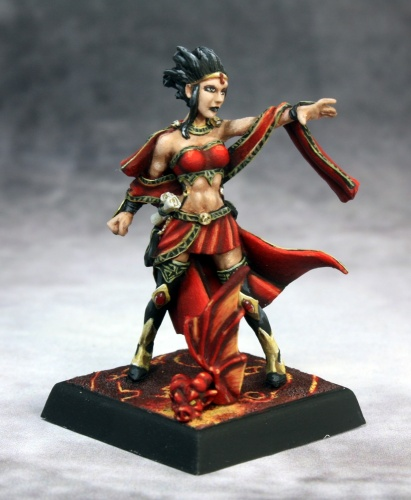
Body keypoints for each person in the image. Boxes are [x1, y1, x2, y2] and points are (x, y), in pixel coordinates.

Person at [107, 46, 359, 388]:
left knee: (244, 295)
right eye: (211, 89)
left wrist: (300, 110)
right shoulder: (168, 141)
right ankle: (142, 351)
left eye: (223, 91)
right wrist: (126, 212)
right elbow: (147, 183)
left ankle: (273, 357)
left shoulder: (221, 130)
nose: (219, 98)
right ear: (190, 90)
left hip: (219, 223)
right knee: (164, 293)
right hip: (182, 225)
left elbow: (261, 122)